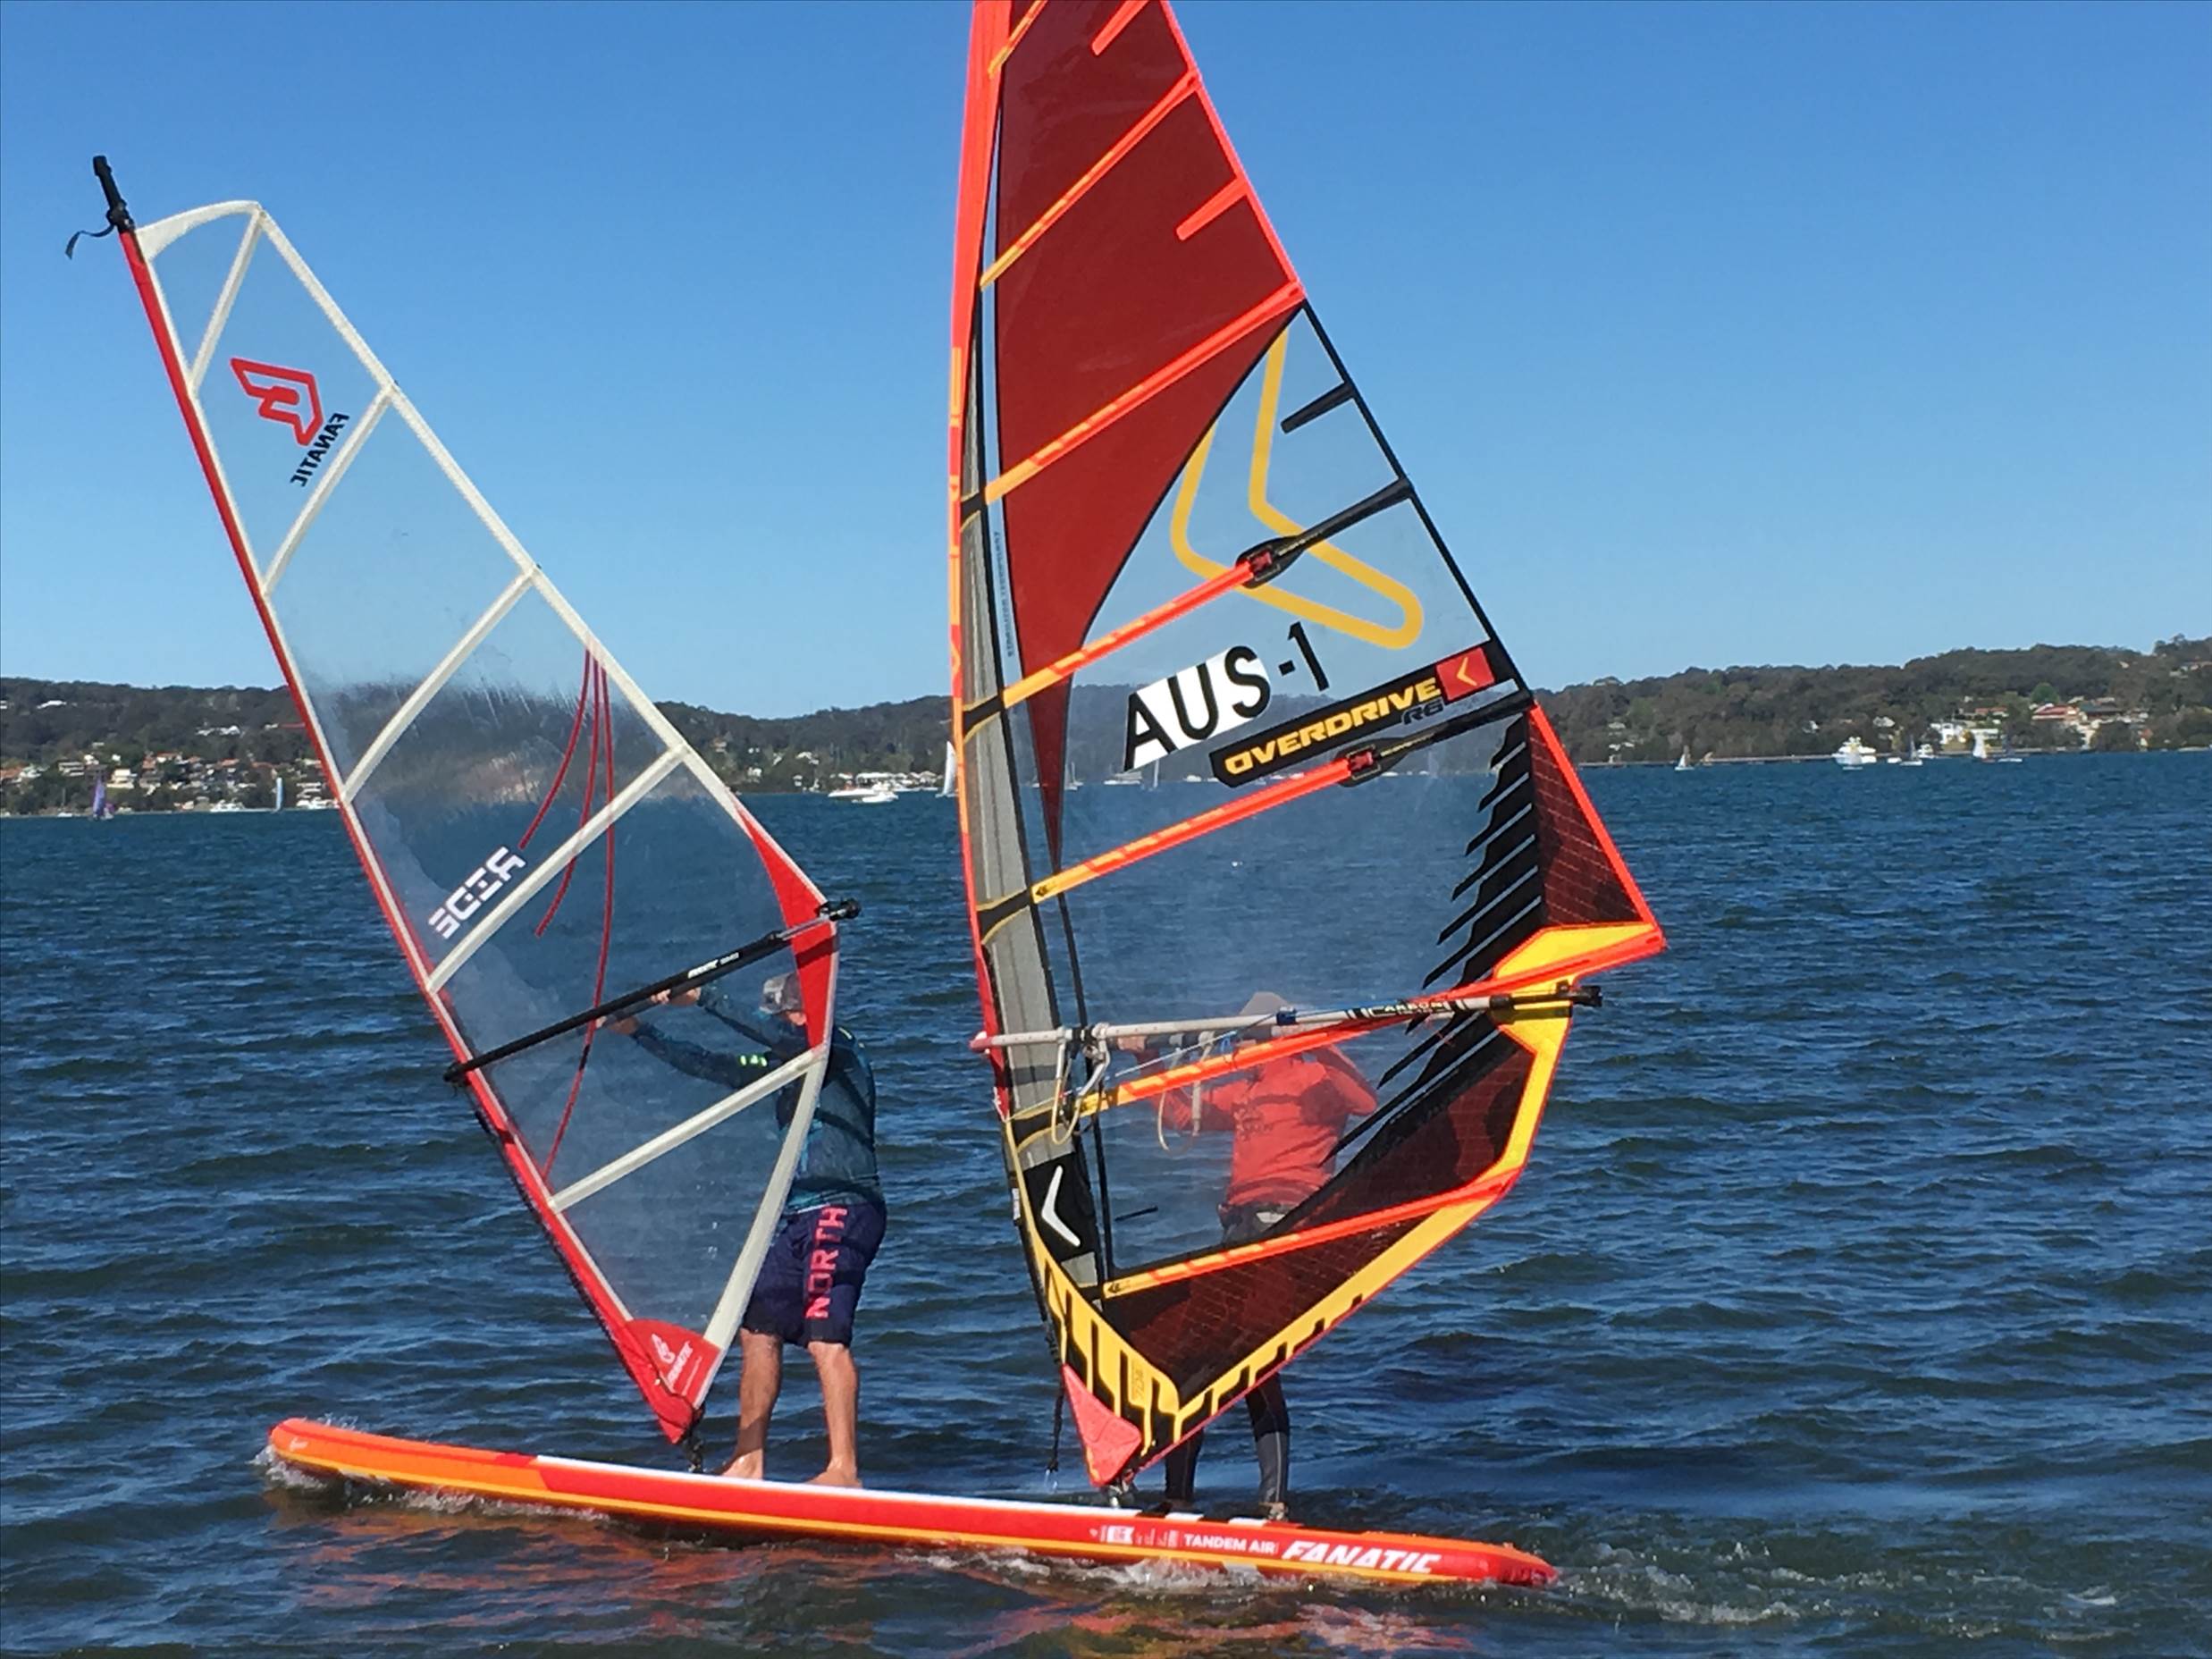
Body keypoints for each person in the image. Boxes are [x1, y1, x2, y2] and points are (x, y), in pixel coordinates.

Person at [610, 970, 882, 1486]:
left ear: (803, 1013)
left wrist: (705, 997)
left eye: (784, 1016)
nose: (779, 1025)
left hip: (844, 1207)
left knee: (826, 1336)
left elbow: (780, 1037)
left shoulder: (836, 1049)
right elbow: (713, 1065)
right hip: (799, 1214)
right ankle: (748, 1461)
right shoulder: (789, 1063)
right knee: (758, 1329)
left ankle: (843, 1469)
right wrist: (641, 1032)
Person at [1125, 991, 1375, 1520]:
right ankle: (1180, 1496)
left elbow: (1364, 1101)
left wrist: (1315, 1037)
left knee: (1254, 1360)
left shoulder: (1313, 1078)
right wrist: (1144, 1056)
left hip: (1287, 1225)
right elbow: (1180, 1115)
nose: (1238, 1048)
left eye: (1247, 1038)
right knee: (1195, 1358)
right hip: (1239, 1229)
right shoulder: (1247, 1087)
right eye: (1238, 1039)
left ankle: (1273, 1503)